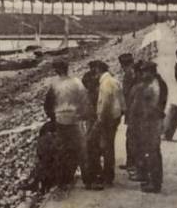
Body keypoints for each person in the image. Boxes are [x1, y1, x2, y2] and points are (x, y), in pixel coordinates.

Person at [43, 59, 90, 191]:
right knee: (81, 150)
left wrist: (52, 117)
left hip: (60, 119)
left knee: (63, 151)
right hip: (75, 119)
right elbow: (84, 100)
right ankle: (88, 180)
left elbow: (48, 104)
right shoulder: (77, 82)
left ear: (56, 70)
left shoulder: (54, 84)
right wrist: (82, 114)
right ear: (67, 68)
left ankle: (64, 181)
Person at [130, 61, 166, 193]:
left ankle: (155, 183)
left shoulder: (154, 86)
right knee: (151, 152)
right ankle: (152, 180)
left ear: (151, 72)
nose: (143, 74)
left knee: (153, 152)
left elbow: (154, 107)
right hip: (148, 122)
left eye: (145, 72)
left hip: (151, 123)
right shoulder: (152, 84)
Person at [94, 60, 125, 186]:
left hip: (108, 118)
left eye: (95, 71)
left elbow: (105, 103)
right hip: (115, 116)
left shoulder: (105, 83)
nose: (95, 74)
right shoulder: (114, 80)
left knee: (106, 147)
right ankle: (108, 174)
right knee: (109, 146)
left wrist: (100, 119)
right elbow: (122, 101)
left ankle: (107, 175)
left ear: (98, 70)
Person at [80, 61, 103, 189]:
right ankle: (93, 177)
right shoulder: (95, 92)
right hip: (93, 122)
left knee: (90, 149)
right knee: (94, 150)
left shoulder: (90, 95)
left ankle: (91, 179)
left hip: (93, 123)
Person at [118, 53, 138, 174]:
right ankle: (131, 162)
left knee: (131, 137)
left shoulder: (128, 74)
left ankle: (132, 163)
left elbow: (126, 93)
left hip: (132, 110)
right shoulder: (134, 72)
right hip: (133, 110)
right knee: (131, 136)